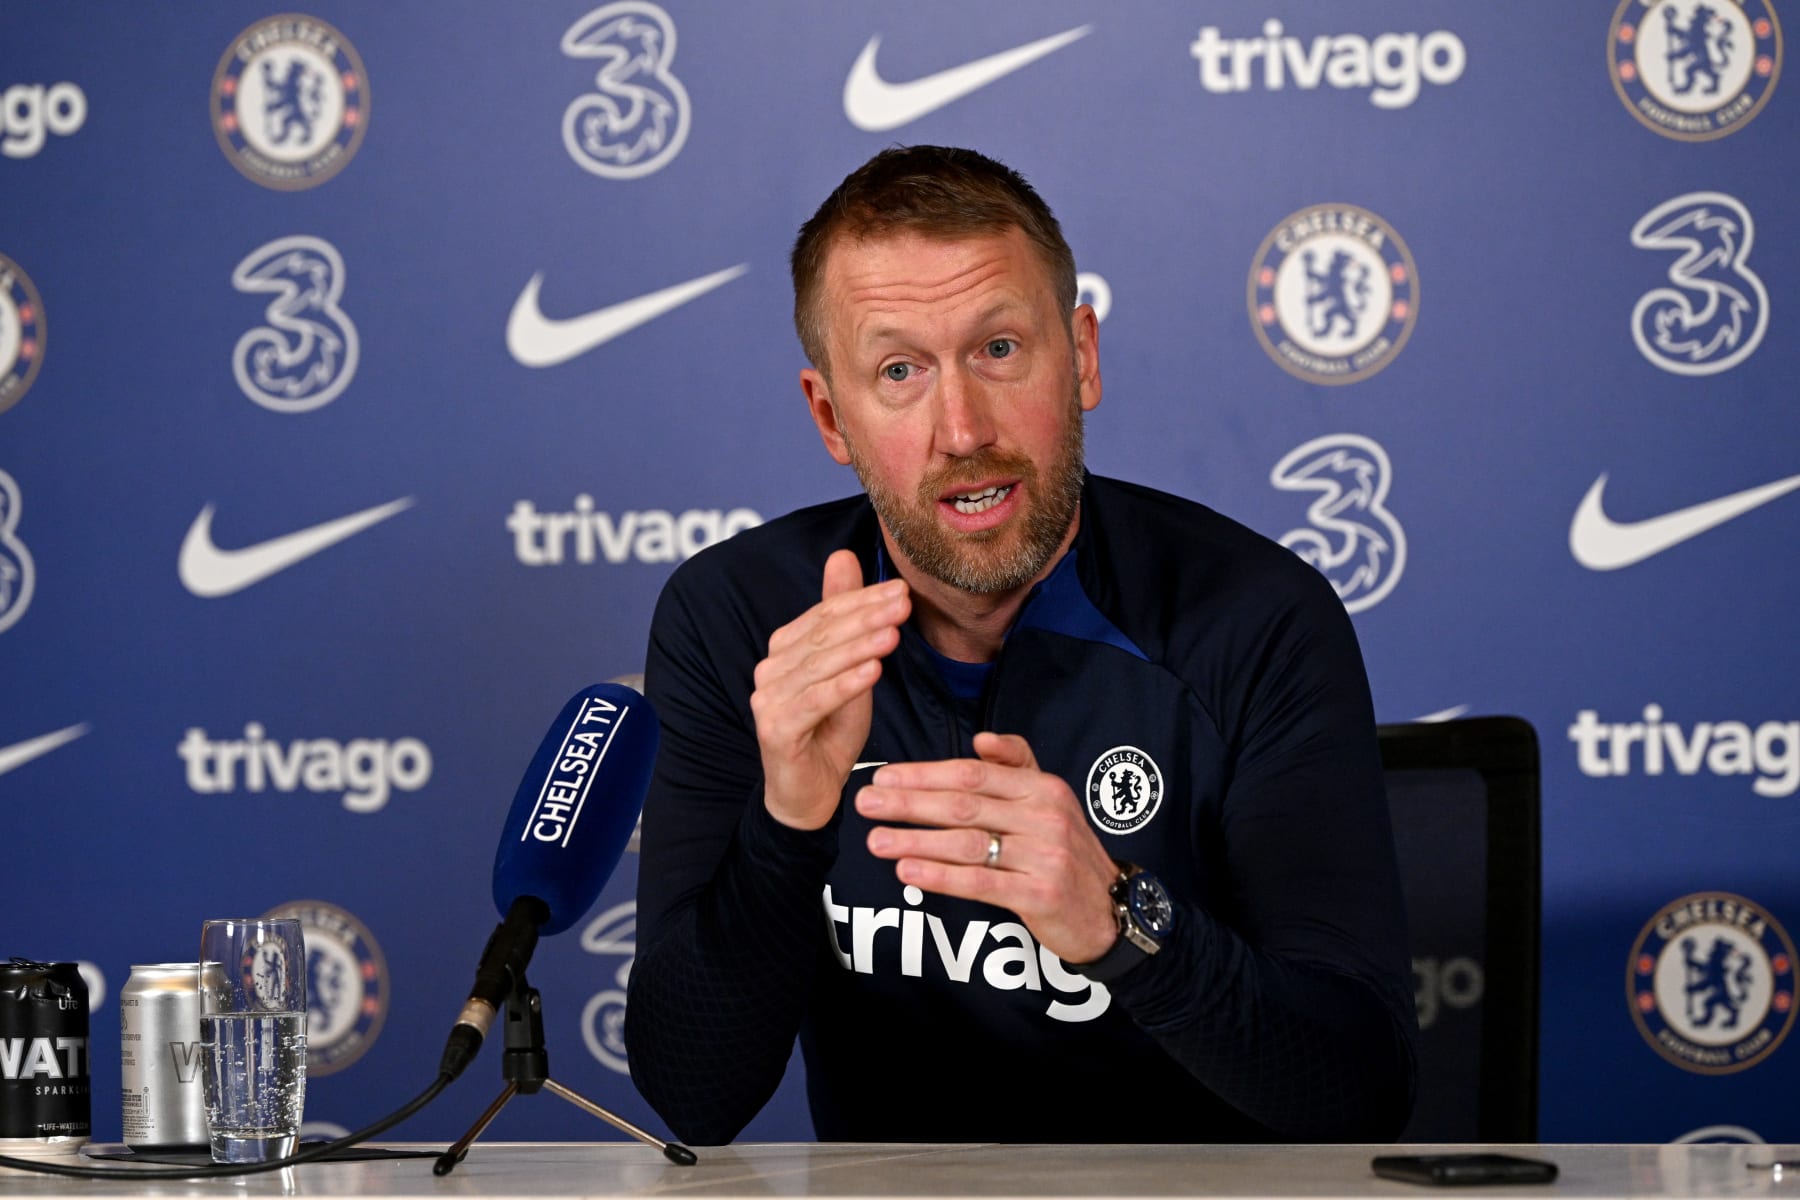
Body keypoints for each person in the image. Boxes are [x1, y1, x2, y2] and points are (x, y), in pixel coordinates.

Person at [625, 145, 1416, 1145]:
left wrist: (1120, 927)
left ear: (1081, 356)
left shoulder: (1256, 618)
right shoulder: (740, 622)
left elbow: (1362, 1091)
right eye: (899, 371)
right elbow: (695, 1098)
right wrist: (787, 826)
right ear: (832, 416)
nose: (963, 429)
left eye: (999, 349)